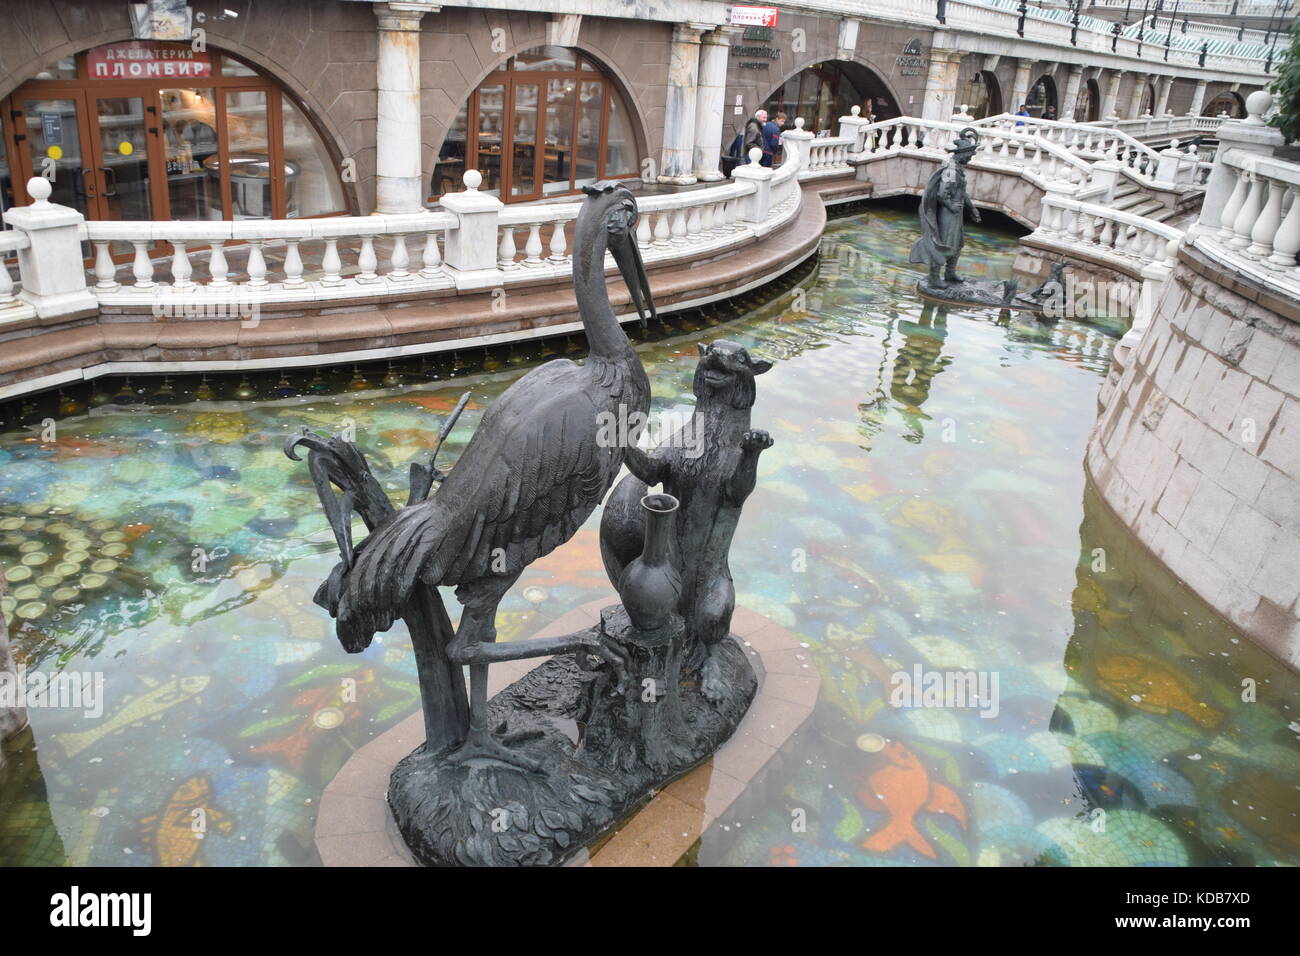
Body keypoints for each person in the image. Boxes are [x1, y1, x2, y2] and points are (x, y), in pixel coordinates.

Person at [910, 127, 981, 289]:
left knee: (958, 243)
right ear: (962, 153)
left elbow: (962, 193)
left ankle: (950, 273)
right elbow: (942, 194)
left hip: (957, 213)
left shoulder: (959, 171)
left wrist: (972, 208)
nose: (971, 158)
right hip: (949, 214)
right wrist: (951, 207)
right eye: (970, 154)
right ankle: (934, 277)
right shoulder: (951, 171)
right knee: (944, 243)